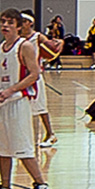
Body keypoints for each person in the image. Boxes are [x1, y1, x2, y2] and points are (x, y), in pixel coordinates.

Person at [0, 10, 53, 189]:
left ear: (19, 26)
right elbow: (0, 80)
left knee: (23, 147)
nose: (5, 25)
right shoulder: (0, 48)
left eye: (10, 22)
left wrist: (11, 90)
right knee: (2, 147)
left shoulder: (25, 46)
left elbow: (34, 74)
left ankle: (41, 184)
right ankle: (5, 188)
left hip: (20, 100)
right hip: (5, 102)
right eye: (2, 22)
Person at [20, 11, 61, 147]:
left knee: (40, 108)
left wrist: (58, 44)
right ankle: (24, 137)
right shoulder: (17, 38)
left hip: (34, 76)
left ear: (30, 23)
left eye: (24, 20)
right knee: (21, 108)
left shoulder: (38, 37)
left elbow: (54, 47)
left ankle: (51, 134)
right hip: (19, 77)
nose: (21, 23)